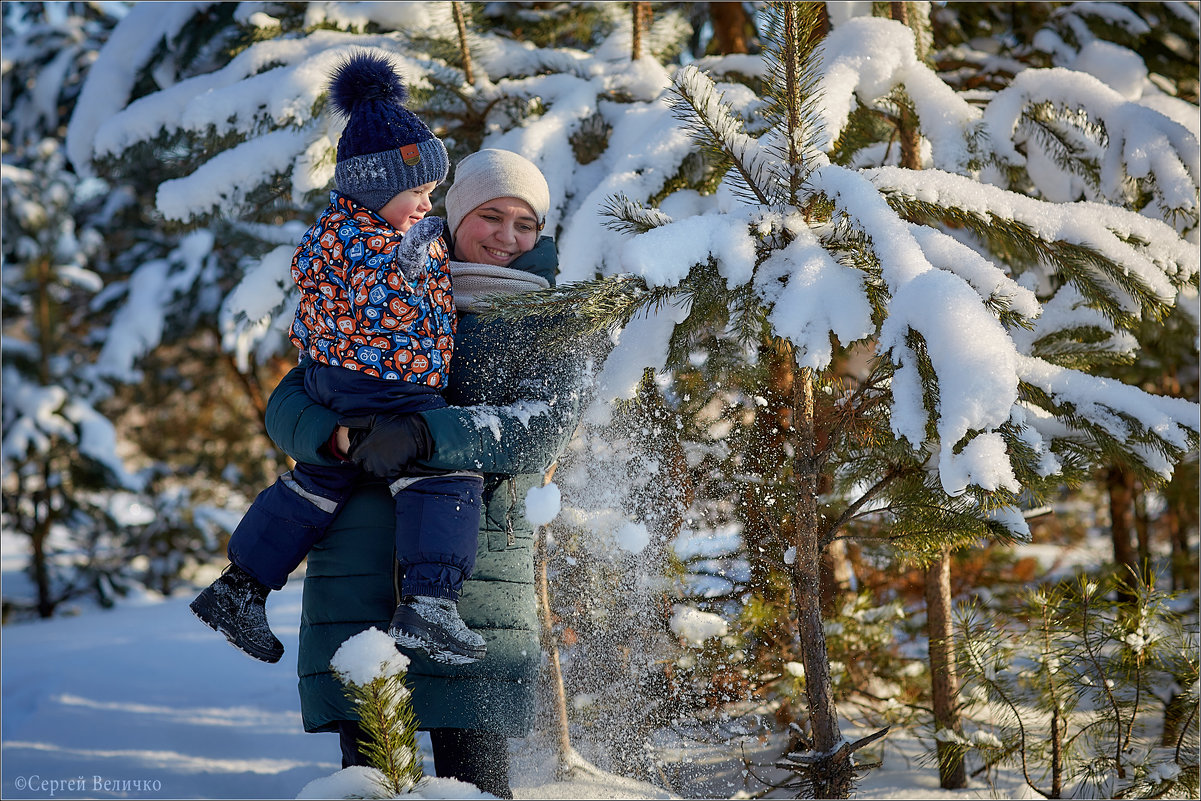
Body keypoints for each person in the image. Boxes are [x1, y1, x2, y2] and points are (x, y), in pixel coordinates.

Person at [263, 148, 593, 799]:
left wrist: (421, 433)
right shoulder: (386, 282)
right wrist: (336, 434)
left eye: (524, 223)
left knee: (474, 777)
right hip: (359, 563)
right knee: (368, 775)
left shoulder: (549, 322)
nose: (506, 235)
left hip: (473, 580)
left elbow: (538, 428)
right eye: (490, 215)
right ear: (454, 214)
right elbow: (289, 400)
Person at [191, 51, 488, 668]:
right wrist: (418, 255)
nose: (426, 208)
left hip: (344, 383)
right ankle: (429, 604)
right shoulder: (371, 240)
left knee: (319, 481)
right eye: (418, 193)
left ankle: (240, 585)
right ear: (377, 186)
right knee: (443, 474)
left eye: (431, 194)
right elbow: (386, 306)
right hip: (387, 385)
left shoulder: (343, 230)